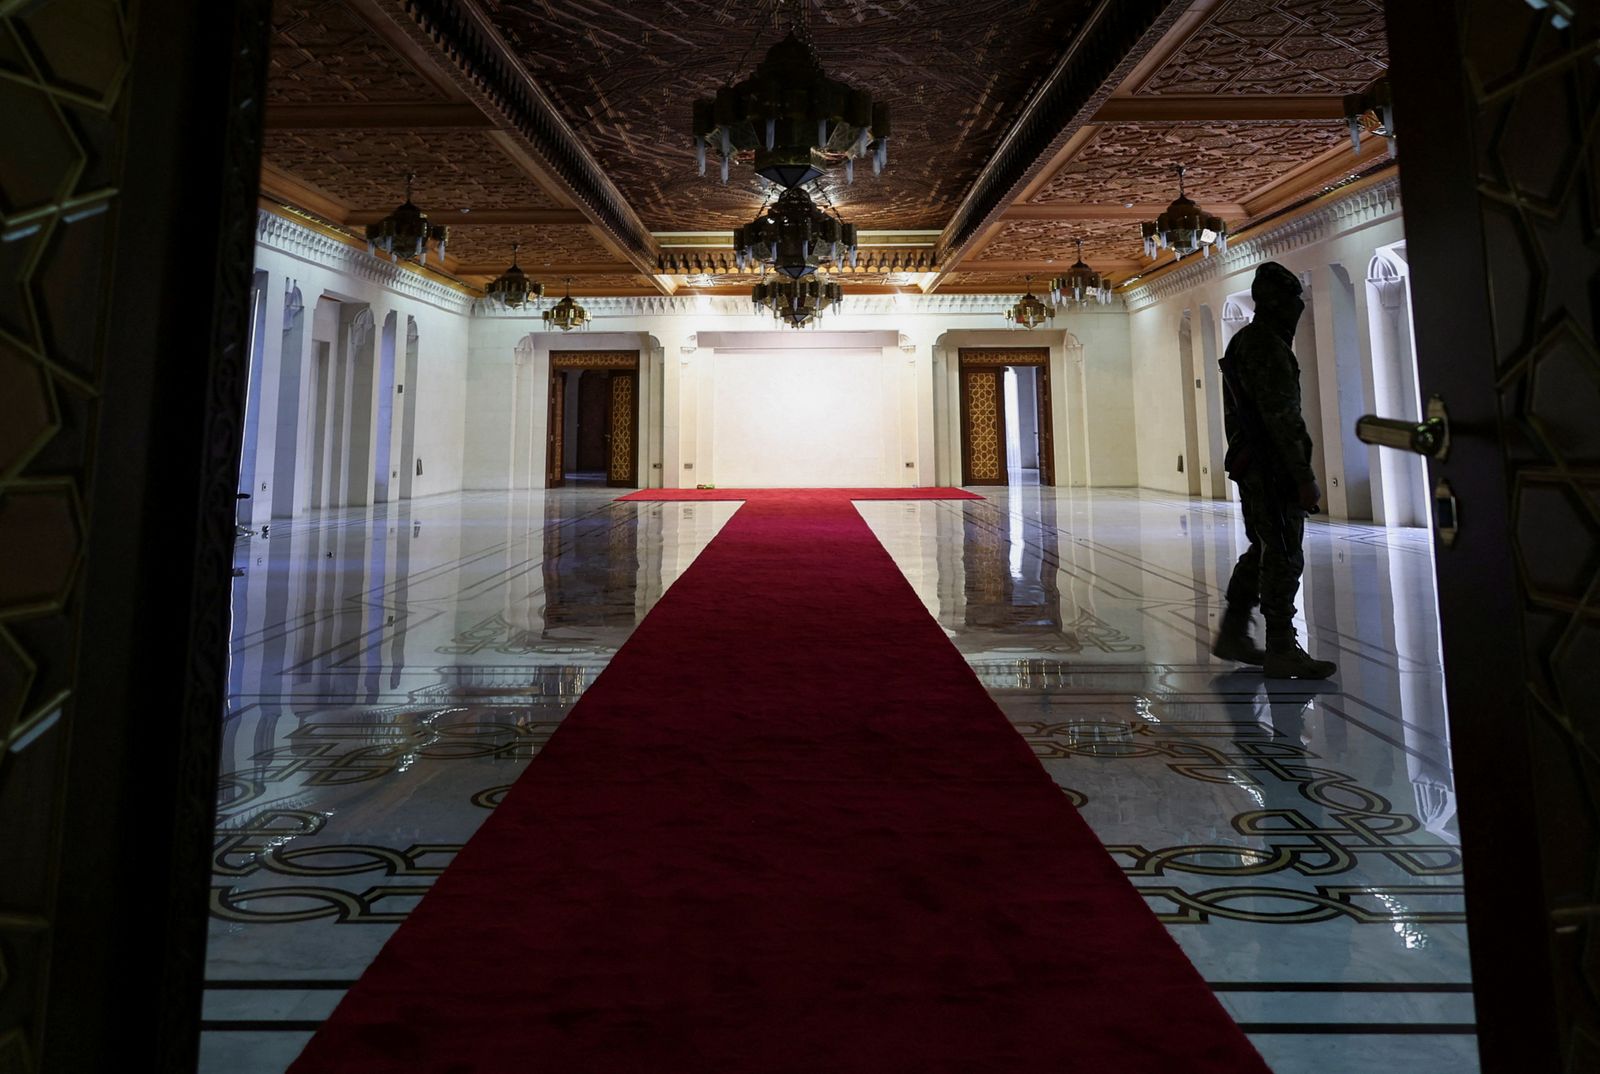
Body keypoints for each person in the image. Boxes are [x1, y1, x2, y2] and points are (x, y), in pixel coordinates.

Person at [1210, 261, 1337, 680]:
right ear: (1277, 304)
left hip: (1255, 463)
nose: (1296, 312)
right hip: (1271, 465)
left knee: (1265, 546)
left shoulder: (1246, 341)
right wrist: (1303, 475)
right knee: (1283, 552)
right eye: (1293, 303)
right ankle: (1282, 646)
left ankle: (1234, 629)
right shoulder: (1267, 346)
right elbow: (1282, 417)